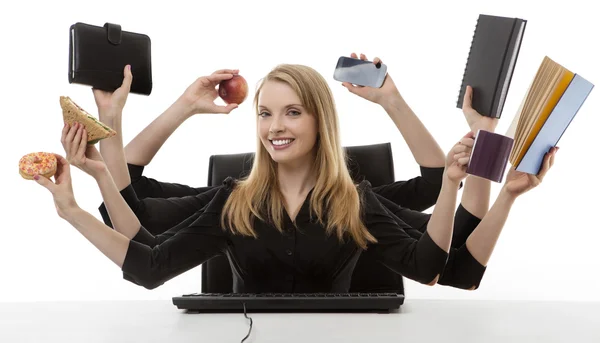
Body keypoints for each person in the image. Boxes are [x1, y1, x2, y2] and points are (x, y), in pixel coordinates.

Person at [37, 59, 556, 293]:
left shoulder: (355, 201)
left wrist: (496, 174)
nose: (275, 127)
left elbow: (446, 259)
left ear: (318, 121)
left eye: (292, 112)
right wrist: (71, 208)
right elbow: (144, 244)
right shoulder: (232, 202)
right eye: (264, 113)